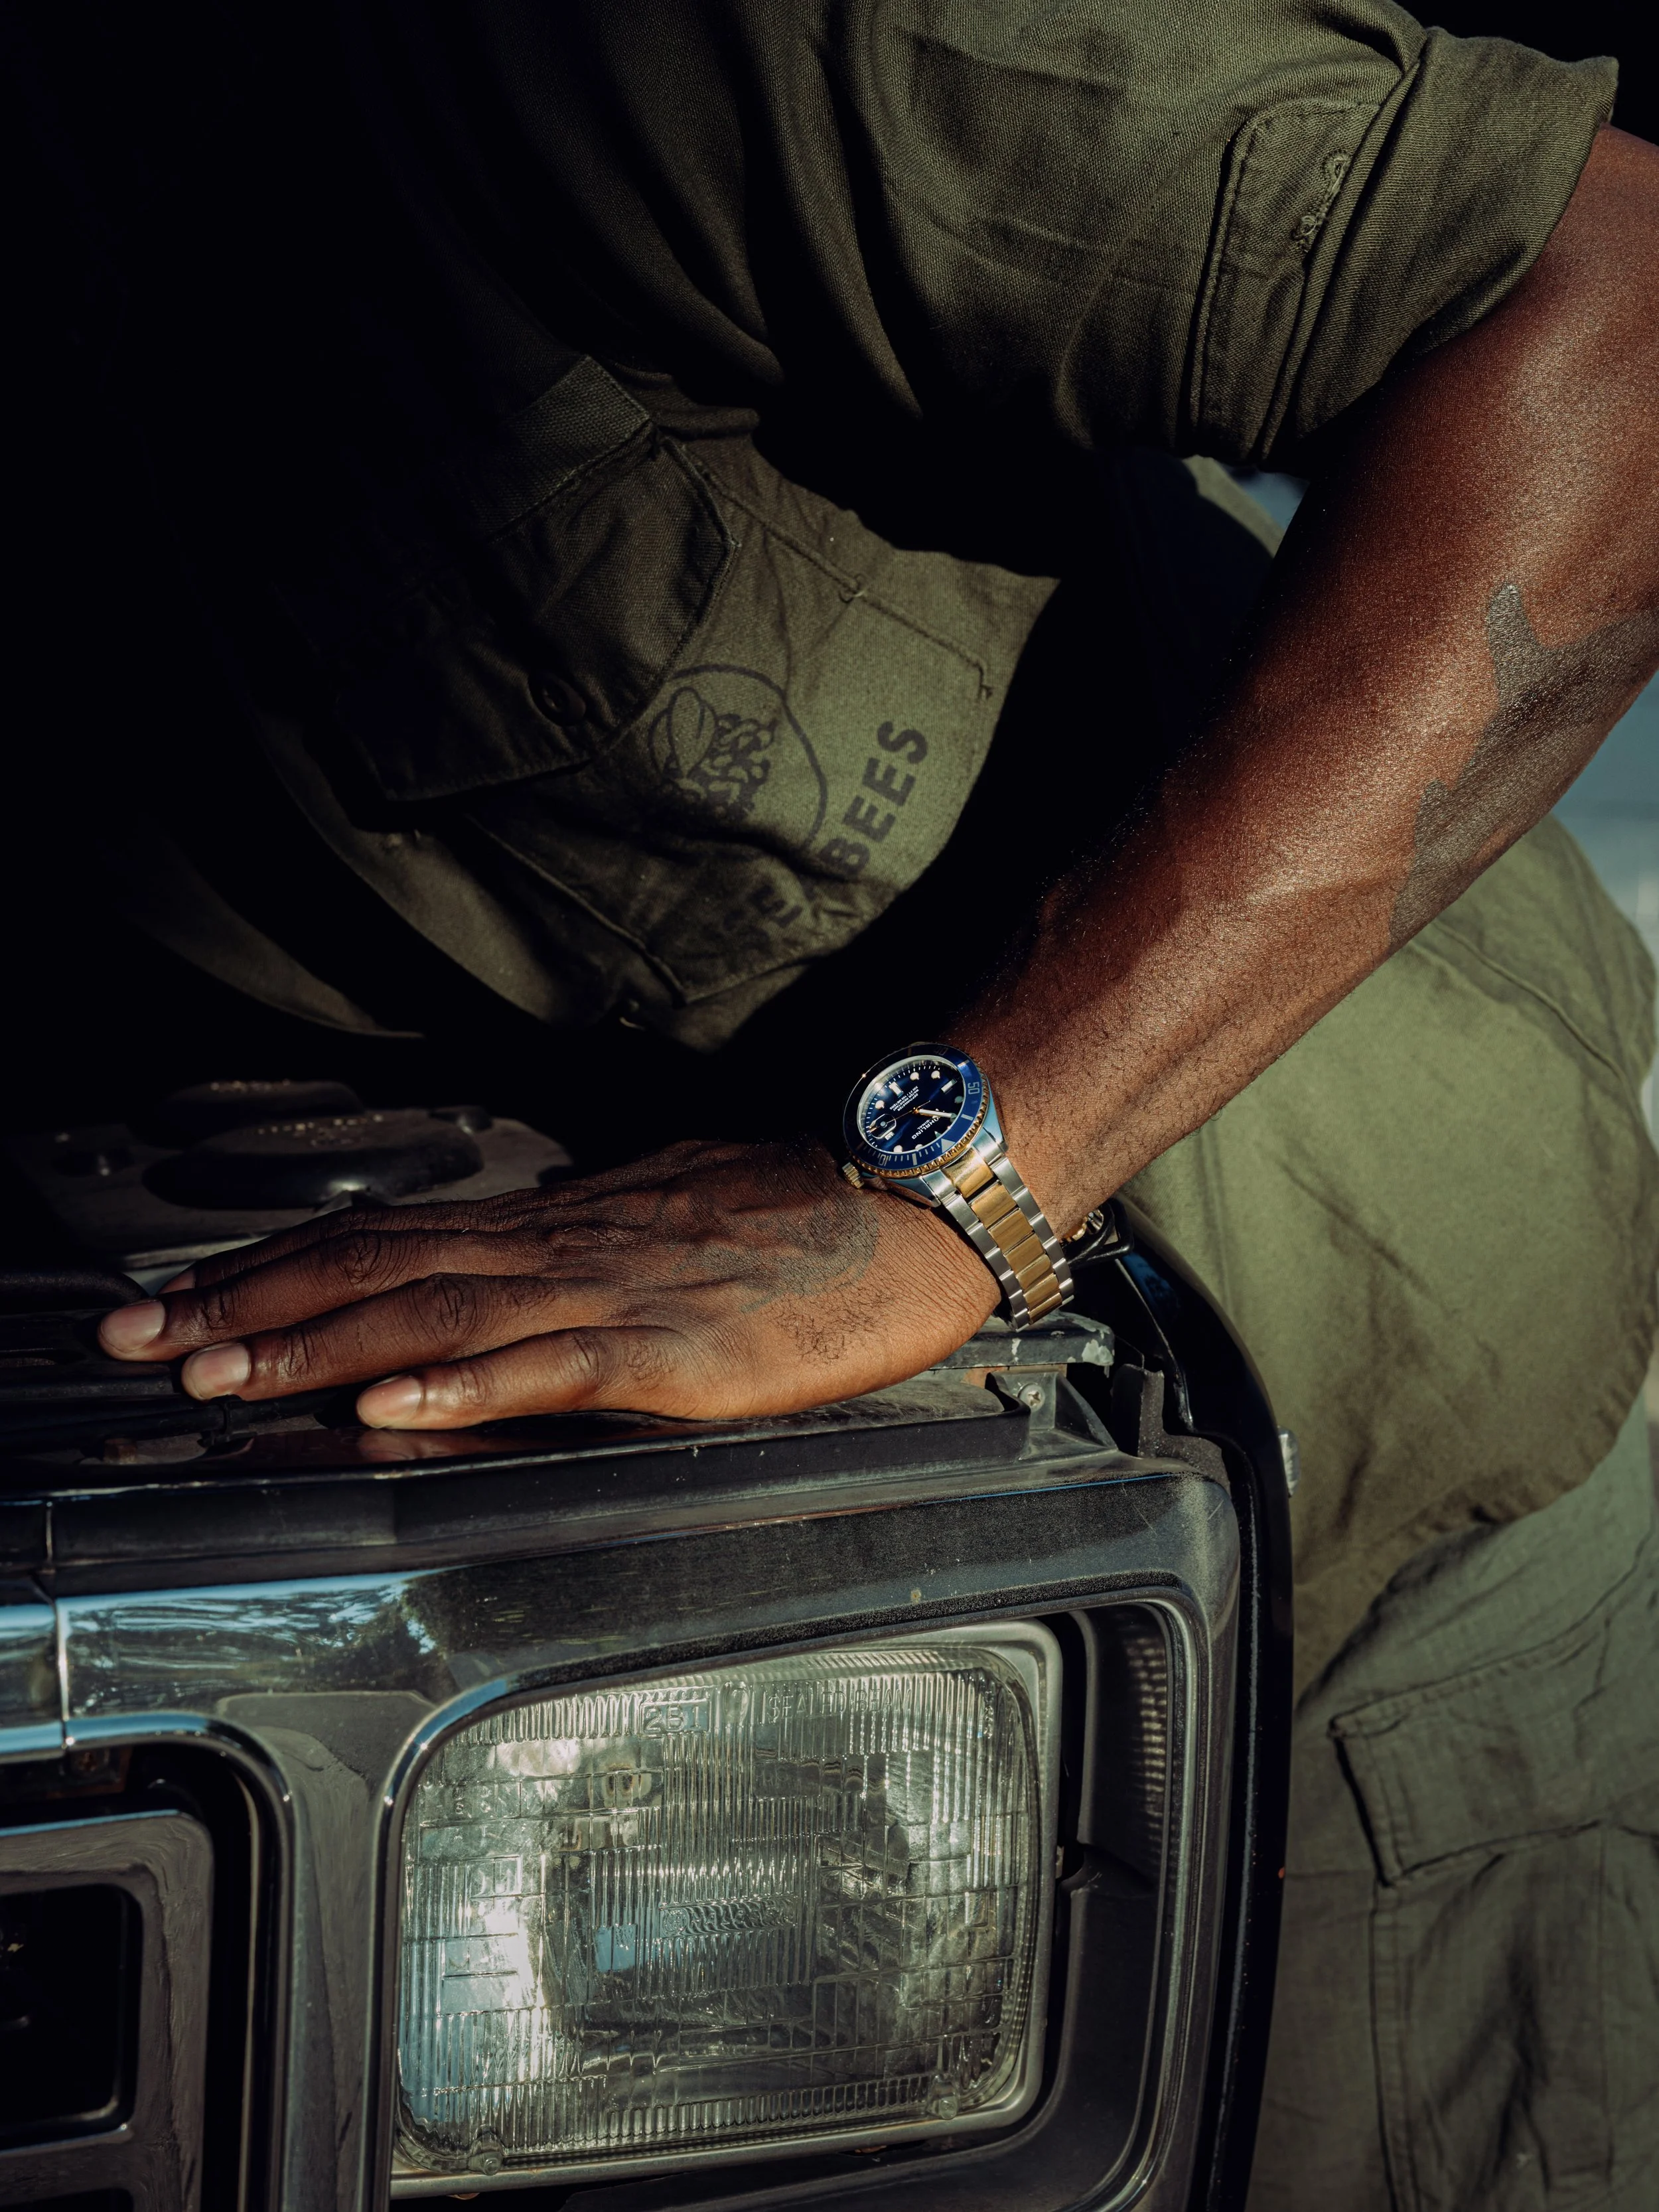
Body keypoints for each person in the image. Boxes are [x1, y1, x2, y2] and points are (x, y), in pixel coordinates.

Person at [13, 5, 1659, 2201]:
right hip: (693, 1705)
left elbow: (1614, 312)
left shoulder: (615, 56)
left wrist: (948, 1180)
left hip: (1333, 1469)